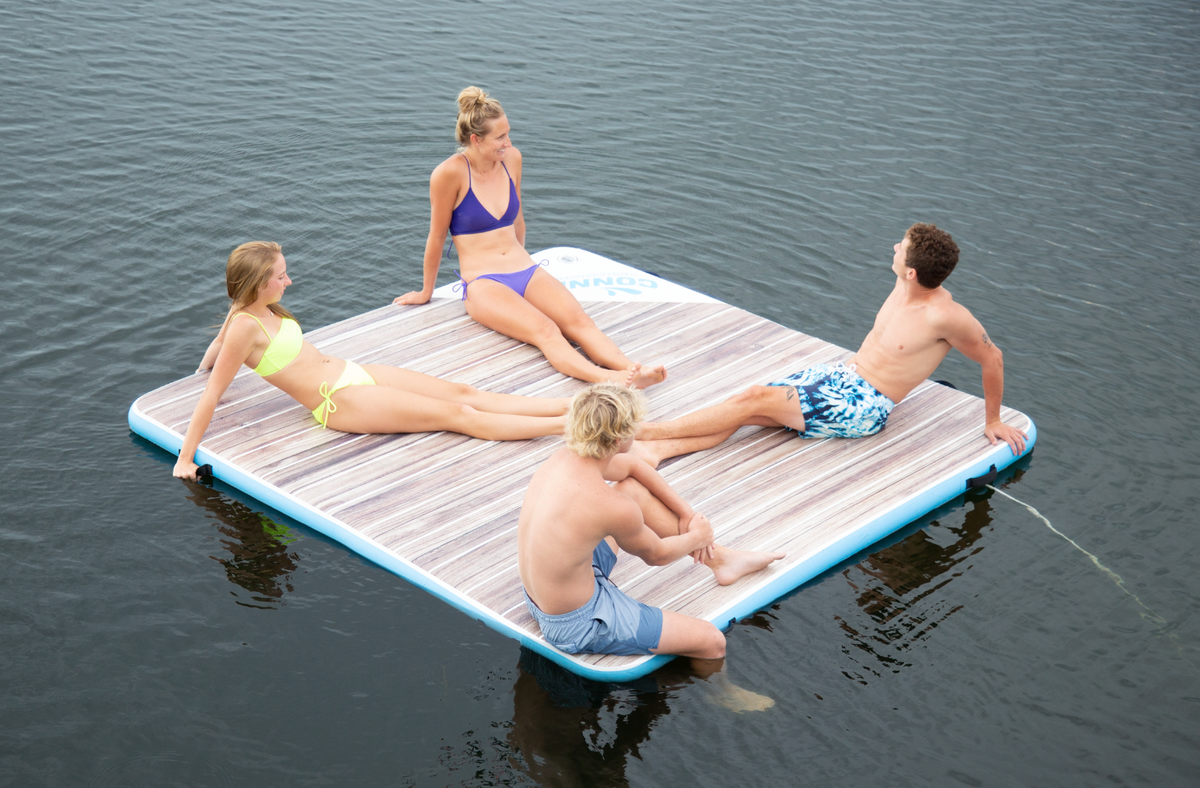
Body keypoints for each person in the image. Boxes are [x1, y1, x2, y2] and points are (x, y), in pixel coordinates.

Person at [172, 241, 570, 480]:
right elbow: (211, 394)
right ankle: (569, 427)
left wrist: (203, 364)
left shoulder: (249, 308)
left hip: (349, 371)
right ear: (258, 284)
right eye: (281, 276)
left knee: (463, 392)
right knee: (457, 414)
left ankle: (568, 406)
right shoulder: (245, 325)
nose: (288, 281)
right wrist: (185, 458)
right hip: (338, 402)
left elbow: (216, 349)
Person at [633, 223, 1029, 457]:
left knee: (750, 400)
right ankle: (660, 451)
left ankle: (646, 433)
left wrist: (992, 419)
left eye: (901, 248)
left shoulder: (946, 316)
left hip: (863, 404)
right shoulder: (903, 283)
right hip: (841, 376)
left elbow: (992, 358)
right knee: (748, 412)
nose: (894, 247)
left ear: (911, 272)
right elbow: (920, 256)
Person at [393, 87, 666, 390]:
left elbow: (518, 218)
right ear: (476, 140)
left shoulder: (511, 159)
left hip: (525, 270)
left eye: (508, 133)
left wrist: (529, 272)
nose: (507, 142)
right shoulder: (449, 174)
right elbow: (436, 236)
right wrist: (425, 291)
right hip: (485, 282)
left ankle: (629, 367)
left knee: (579, 322)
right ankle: (614, 380)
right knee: (547, 330)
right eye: (500, 137)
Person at [517, 383, 784, 668]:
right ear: (621, 436)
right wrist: (697, 535)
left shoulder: (562, 460)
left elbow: (632, 467)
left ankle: (722, 561)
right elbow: (657, 555)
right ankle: (724, 694)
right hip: (576, 622)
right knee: (711, 641)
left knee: (630, 489)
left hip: (539, 596)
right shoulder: (612, 508)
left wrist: (685, 512)